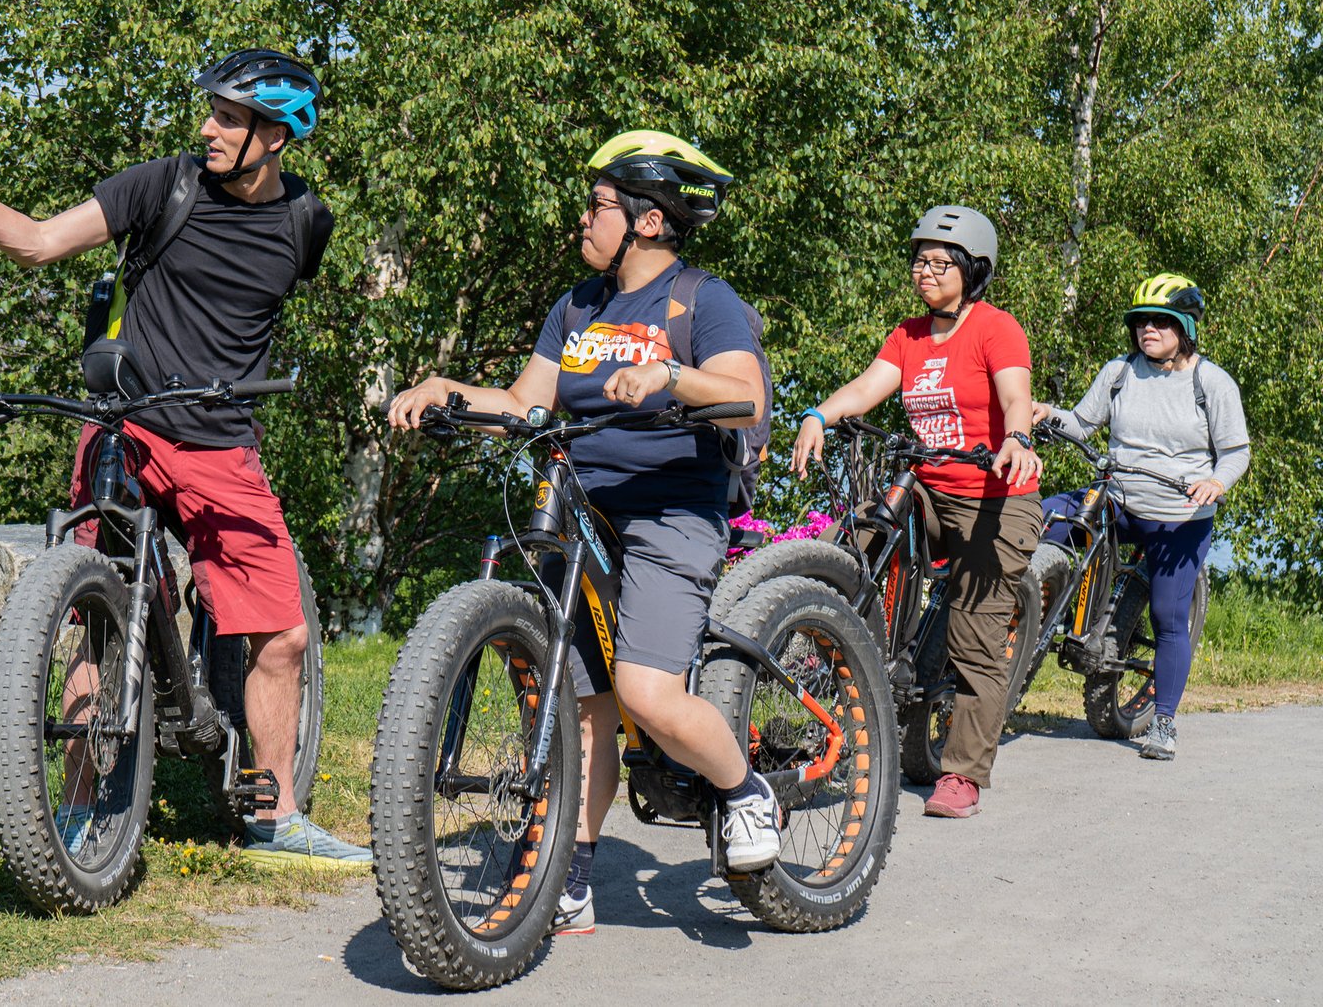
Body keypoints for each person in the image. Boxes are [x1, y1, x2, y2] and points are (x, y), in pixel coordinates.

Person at [0, 49, 369, 867]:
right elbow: (37, 243)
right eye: (209, 112)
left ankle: (277, 818)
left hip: (221, 444)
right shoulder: (163, 184)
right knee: (93, 619)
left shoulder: (305, 223)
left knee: (280, 636)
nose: (207, 129)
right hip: (127, 426)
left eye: (228, 118)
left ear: (277, 136)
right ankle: (71, 821)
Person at [387, 130, 776, 935]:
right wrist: (447, 390)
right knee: (584, 699)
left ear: (651, 221)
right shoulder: (577, 305)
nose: (584, 221)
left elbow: (747, 400)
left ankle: (744, 790)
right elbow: (529, 405)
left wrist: (671, 376)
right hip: (582, 510)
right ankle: (571, 875)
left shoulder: (703, 300)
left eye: (600, 206)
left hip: (671, 509)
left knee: (644, 693)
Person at [791, 205, 1042, 819]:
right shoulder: (907, 335)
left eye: (938, 262)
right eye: (919, 260)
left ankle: (962, 775)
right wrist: (819, 415)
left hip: (995, 494)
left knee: (975, 633)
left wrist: (1018, 438)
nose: (923, 271)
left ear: (972, 270)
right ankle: (836, 632)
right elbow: (865, 388)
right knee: (869, 528)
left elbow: (1015, 394)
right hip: (928, 486)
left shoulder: (996, 328)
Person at [1034, 273, 1249, 761]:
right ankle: (1033, 611)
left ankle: (1165, 723)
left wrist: (1216, 482)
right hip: (1120, 499)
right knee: (1044, 515)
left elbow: (1236, 451)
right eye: (1140, 322)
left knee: (1168, 617)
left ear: (1185, 329)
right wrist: (1048, 413)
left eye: (1160, 321)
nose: (1147, 329)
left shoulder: (1210, 383)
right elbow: (1083, 424)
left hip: (1179, 517)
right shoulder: (1119, 372)